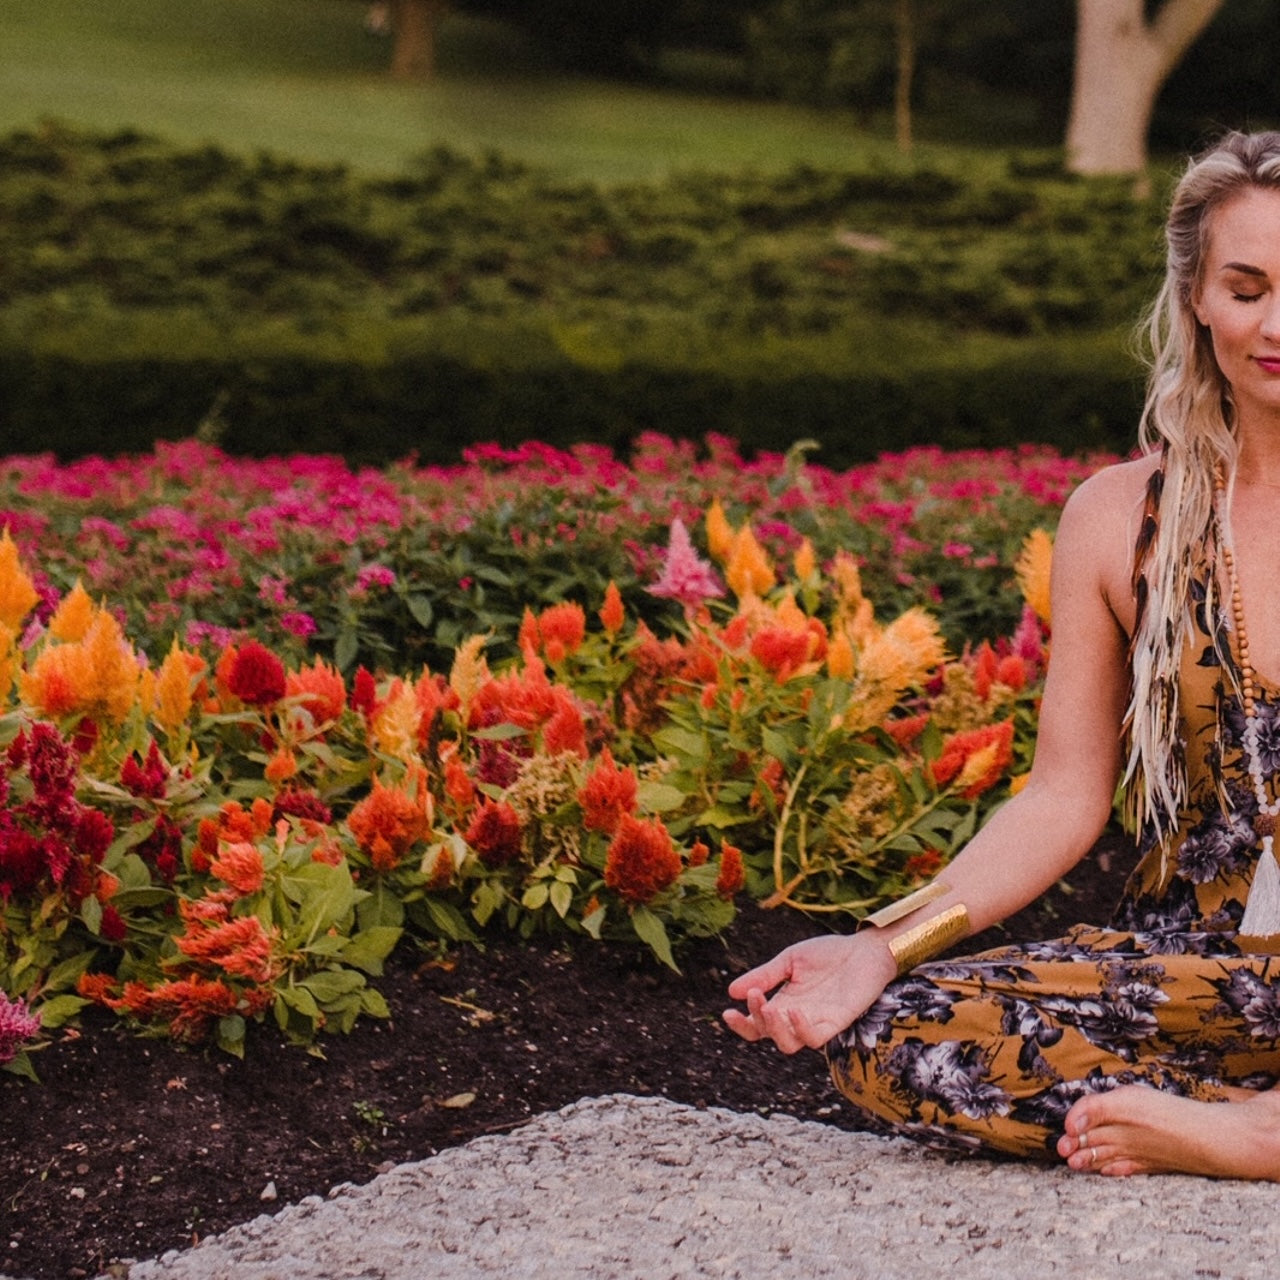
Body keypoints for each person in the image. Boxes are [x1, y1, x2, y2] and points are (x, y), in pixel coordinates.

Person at [724, 129, 1280, 1180]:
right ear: (1195, 298)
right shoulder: (1119, 519)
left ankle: (1251, 1129)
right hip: (1204, 968)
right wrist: (876, 945)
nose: (1275, 324)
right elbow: (1062, 795)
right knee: (896, 1029)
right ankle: (1238, 1116)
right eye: (1245, 288)